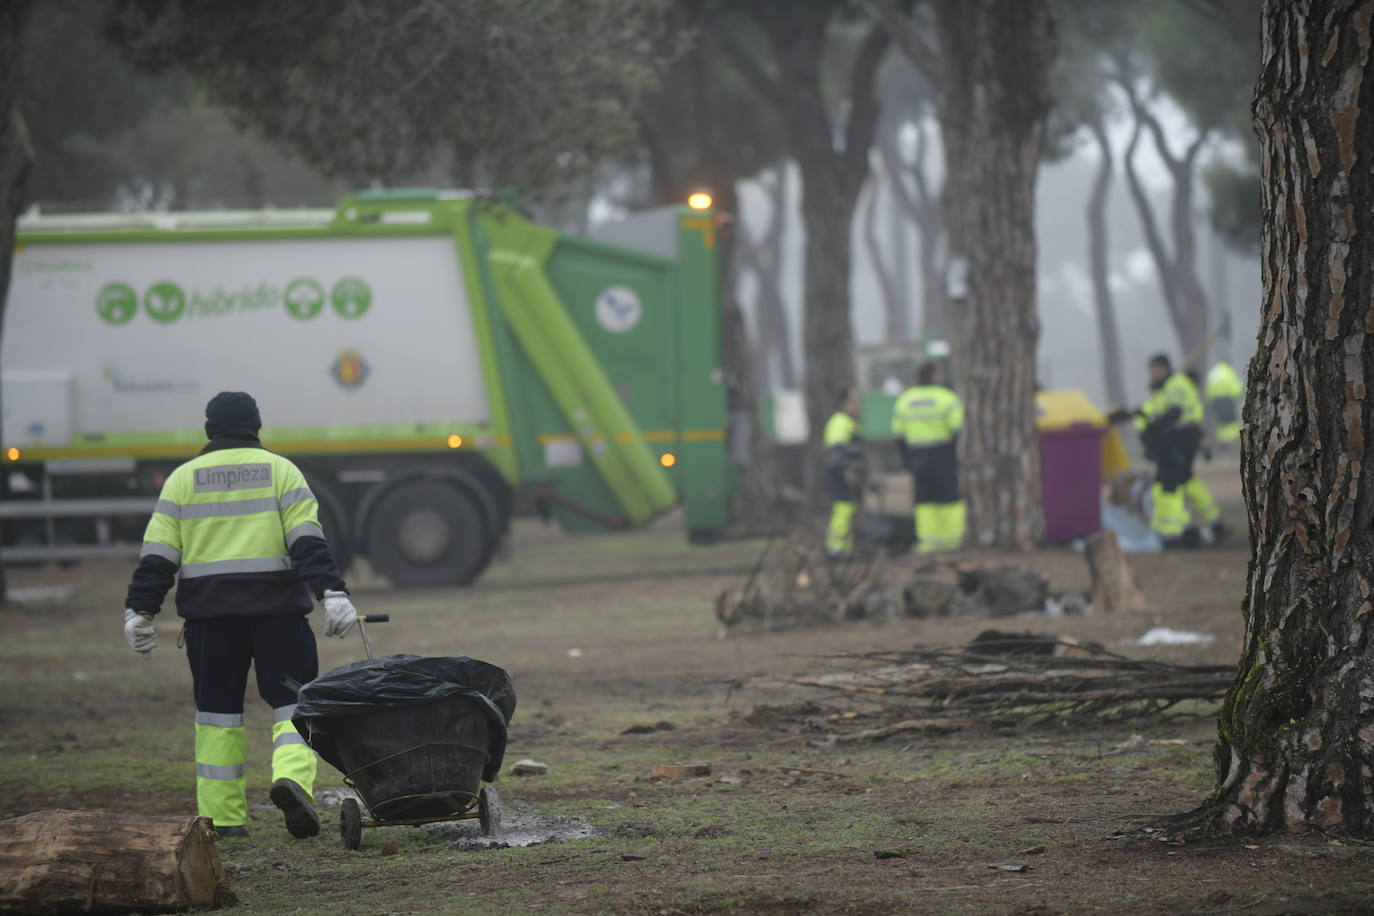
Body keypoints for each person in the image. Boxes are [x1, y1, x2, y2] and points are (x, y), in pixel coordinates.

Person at [122, 392, 359, 840]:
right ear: (256, 425)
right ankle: (292, 780)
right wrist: (332, 593)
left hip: (211, 624)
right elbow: (308, 544)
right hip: (279, 618)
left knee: (217, 715)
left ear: (209, 428)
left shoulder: (182, 480)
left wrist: (140, 609)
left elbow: (158, 558)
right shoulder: (281, 471)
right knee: (294, 704)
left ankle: (225, 820)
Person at [1135, 354, 1222, 546]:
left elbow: (1175, 413)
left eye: (1157, 369)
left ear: (1166, 369)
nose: (1154, 373)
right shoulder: (1162, 389)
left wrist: (1155, 428)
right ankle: (1201, 527)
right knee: (1183, 481)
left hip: (1180, 441)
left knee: (1170, 485)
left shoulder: (1174, 386)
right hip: (1176, 442)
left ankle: (1175, 533)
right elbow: (1156, 415)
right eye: (1152, 370)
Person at [892, 363, 965, 553]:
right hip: (943, 455)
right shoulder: (947, 398)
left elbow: (898, 435)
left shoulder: (905, 400)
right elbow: (958, 429)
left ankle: (928, 541)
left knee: (924, 500)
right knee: (949, 499)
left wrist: (907, 462)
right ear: (934, 375)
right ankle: (951, 540)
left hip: (917, 457)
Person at [822, 388, 864, 557]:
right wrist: (847, 471)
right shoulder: (840, 422)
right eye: (855, 401)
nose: (858, 405)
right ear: (845, 404)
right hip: (840, 474)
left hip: (843, 473)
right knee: (843, 509)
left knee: (847, 509)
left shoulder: (848, 422)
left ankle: (844, 546)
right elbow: (836, 451)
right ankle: (837, 548)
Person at [1205, 360, 1244, 446]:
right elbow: (1236, 387)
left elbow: (1208, 389)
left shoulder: (1213, 372)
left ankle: (1223, 444)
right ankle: (1234, 442)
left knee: (1221, 423)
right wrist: (1238, 395)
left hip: (1216, 402)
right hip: (1227, 400)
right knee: (1231, 422)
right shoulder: (1228, 371)